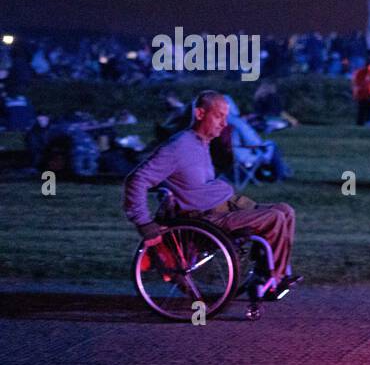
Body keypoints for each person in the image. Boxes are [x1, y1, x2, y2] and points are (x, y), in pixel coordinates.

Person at [123, 91, 300, 300]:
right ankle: (273, 280)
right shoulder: (179, 146)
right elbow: (137, 179)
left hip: (225, 205)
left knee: (286, 210)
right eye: (218, 117)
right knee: (274, 218)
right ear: (199, 113)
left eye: (226, 117)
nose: (224, 124)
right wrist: (143, 222)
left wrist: (224, 149)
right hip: (205, 218)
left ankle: (267, 272)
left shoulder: (202, 142)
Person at [352, 51, 370, 125]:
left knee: (363, 109)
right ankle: (365, 122)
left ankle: (362, 122)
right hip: (367, 93)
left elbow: (356, 83)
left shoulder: (360, 72)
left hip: (364, 93)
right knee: (365, 109)